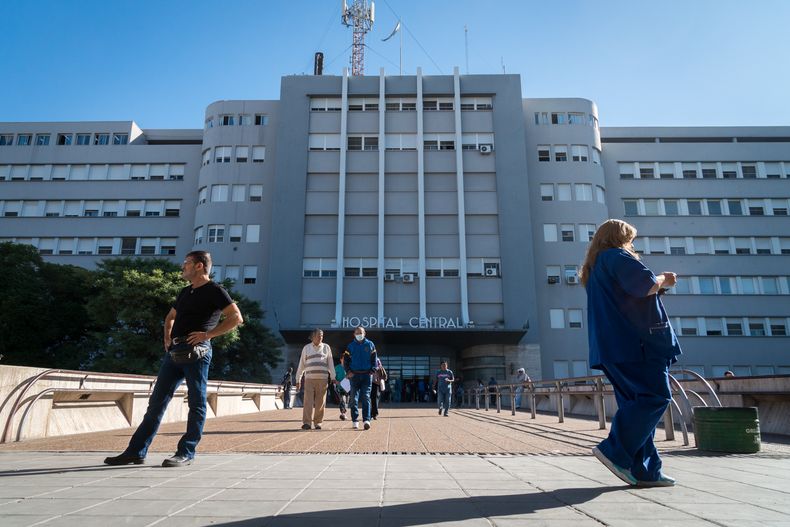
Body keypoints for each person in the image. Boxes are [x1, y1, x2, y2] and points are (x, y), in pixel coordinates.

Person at [104, 251, 243, 467]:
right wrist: (167, 339)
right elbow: (170, 317)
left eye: (186, 263)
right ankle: (136, 452)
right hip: (175, 352)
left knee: (196, 402)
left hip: (197, 351)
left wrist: (208, 335)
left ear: (199, 266)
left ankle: (186, 452)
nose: (182, 267)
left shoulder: (215, 290)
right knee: (156, 403)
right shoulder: (185, 292)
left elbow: (236, 318)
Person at [580, 218, 681, 488]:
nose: (632, 244)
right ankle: (614, 450)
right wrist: (664, 279)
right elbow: (645, 286)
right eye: (630, 239)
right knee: (654, 397)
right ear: (620, 238)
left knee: (635, 404)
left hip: (613, 347)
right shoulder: (618, 256)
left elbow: (628, 299)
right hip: (637, 345)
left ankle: (645, 470)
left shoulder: (596, 267)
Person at [295, 329, 336, 430]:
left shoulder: (326, 348)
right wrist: (298, 379)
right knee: (307, 401)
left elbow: (330, 364)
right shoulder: (306, 348)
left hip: (323, 379)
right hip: (309, 379)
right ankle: (307, 423)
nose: (320, 337)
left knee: (320, 402)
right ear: (312, 336)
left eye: (322, 335)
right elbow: (302, 365)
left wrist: (333, 377)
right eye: (318, 335)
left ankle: (318, 423)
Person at [343, 326, 377, 430]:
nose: (359, 334)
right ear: (354, 334)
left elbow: (374, 359)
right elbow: (346, 360)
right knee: (353, 399)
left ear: (364, 333)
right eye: (357, 333)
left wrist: (373, 370)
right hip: (354, 375)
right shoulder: (350, 346)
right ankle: (355, 420)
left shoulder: (370, 344)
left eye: (361, 332)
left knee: (366, 398)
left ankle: (366, 420)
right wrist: (348, 371)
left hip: (367, 375)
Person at [335, 352, 350, 420]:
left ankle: (344, 412)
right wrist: (336, 381)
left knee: (346, 401)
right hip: (339, 387)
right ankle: (343, 413)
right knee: (342, 400)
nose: (345, 360)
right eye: (344, 359)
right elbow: (333, 377)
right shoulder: (337, 368)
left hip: (347, 387)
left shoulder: (349, 368)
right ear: (341, 359)